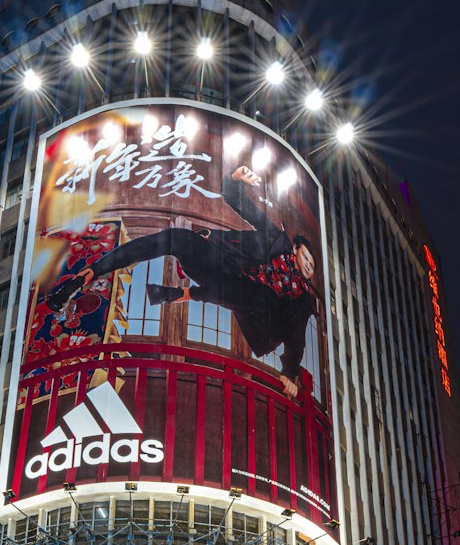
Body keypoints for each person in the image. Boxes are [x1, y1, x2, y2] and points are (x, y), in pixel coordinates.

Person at [44, 166, 318, 397]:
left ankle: (180, 290)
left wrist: (289, 373)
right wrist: (234, 179)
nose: (308, 265)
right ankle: (86, 275)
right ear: (295, 250)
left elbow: (297, 339)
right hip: (220, 266)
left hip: (254, 304)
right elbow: (242, 205)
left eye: (312, 266)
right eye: (306, 258)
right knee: (176, 238)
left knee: (252, 294)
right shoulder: (275, 241)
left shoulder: (302, 299)